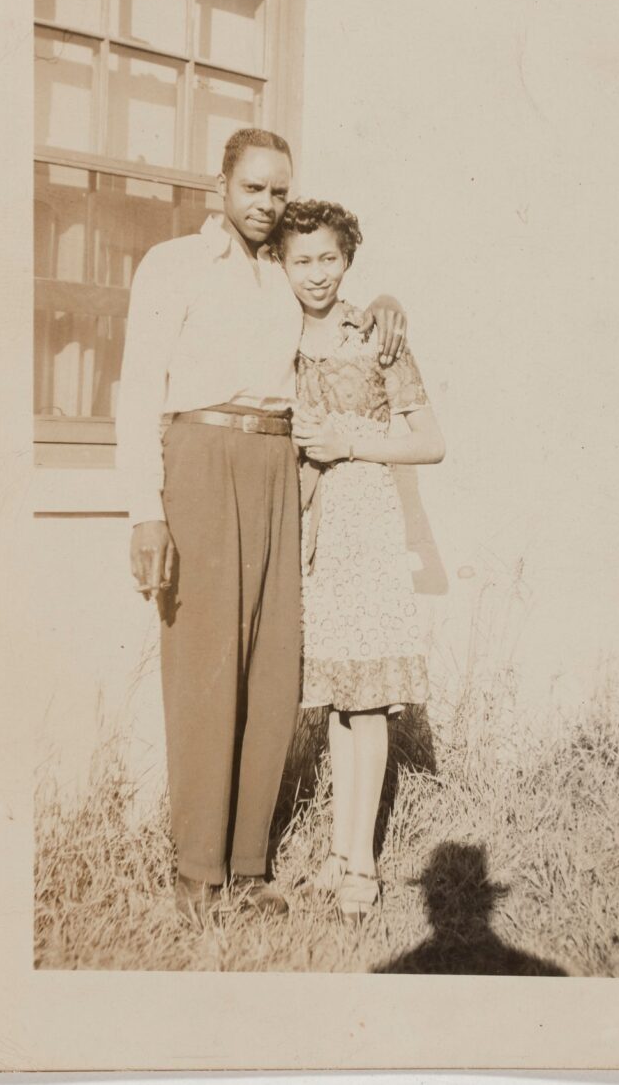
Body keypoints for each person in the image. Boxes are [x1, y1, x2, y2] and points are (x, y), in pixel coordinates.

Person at [115, 129, 407, 926]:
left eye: (279, 191)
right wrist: (145, 510)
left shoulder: (285, 271)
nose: (267, 204)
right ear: (221, 186)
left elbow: (336, 306)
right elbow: (137, 389)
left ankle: (248, 870)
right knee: (205, 668)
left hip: (279, 464)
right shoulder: (175, 264)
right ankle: (196, 873)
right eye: (253, 188)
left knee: (273, 669)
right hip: (200, 459)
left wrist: (386, 303)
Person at [268, 199, 445, 921]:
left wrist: (350, 446)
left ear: (347, 259)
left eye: (329, 259)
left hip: (365, 521)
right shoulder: (271, 335)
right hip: (311, 529)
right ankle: (339, 854)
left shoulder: (376, 334)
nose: (316, 274)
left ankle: (362, 868)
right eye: (301, 260)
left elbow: (430, 442)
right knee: (340, 699)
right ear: (281, 263)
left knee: (367, 699)